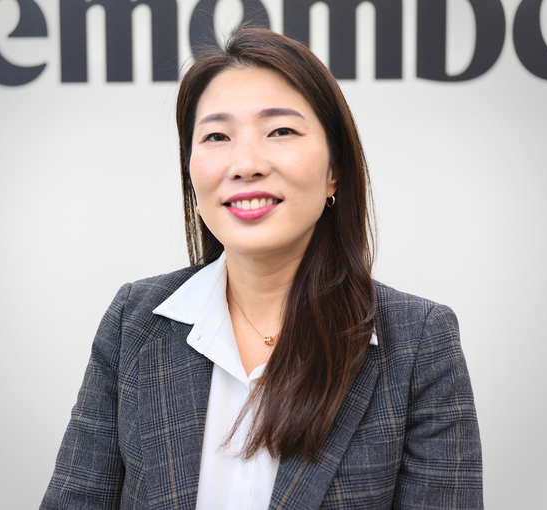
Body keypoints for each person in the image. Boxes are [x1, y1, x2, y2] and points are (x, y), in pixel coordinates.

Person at [40, 27, 482, 510]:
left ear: (334, 171)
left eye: (281, 131)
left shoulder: (418, 343)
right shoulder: (135, 322)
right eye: (216, 136)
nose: (246, 164)